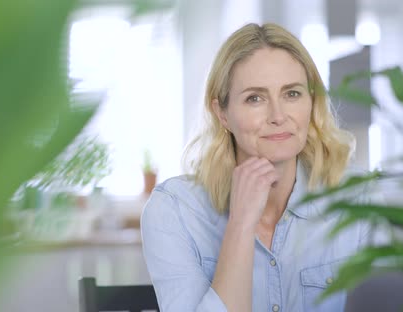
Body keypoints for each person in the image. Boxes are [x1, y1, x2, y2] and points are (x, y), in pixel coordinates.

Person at [141, 22, 371, 312]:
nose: (278, 116)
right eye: (255, 98)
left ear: (311, 102)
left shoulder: (361, 198)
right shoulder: (175, 211)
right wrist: (240, 224)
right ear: (222, 113)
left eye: (292, 94)